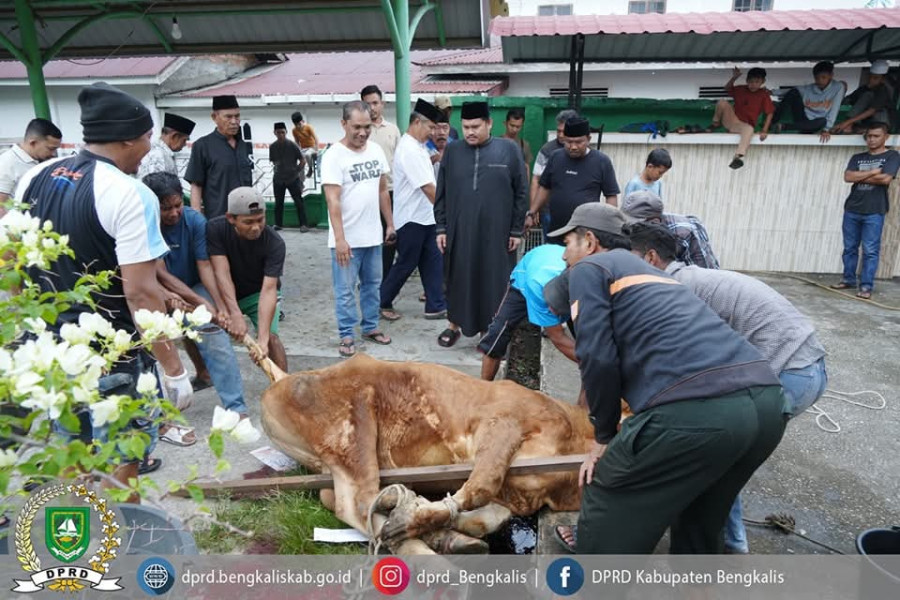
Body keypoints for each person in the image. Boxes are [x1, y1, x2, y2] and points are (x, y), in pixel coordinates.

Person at [552, 202, 785, 555]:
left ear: (589, 241)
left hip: (700, 410)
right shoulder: (657, 275)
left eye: (568, 243)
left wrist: (602, 436)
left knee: (606, 487)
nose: (565, 255)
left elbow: (596, 357)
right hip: (767, 404)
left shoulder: (591, 267)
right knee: (699, 517)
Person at [16, 82, 194, 480]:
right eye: (148, 137)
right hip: (113, 353)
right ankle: (123, 535)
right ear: (129, 139)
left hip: (51, 348)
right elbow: (140, 293)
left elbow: (13, 259)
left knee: (71, 447)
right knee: (123, 455)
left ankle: (75, 537)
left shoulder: (35, 176)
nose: (150, 146)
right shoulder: (129, 193)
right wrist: (174, 369)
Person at [629, 222, 827, 554]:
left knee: (719, 454)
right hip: (805, 364)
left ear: (650, 258)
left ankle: (728, 544)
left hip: (791, 369)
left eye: (627, 259)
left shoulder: (675, 287)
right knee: (726, 455)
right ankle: (728, 540)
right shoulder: (691, 278)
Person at [143, 172, 250, 424]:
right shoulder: (143, 223)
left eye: (178, 205)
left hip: (193, 282)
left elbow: (205, 267)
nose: (173, 213)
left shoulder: (194, 221)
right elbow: (157, 272)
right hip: (154, 288)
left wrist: (219, 307)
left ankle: (235, 405)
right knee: (151, 339)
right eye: (165, 208)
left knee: (212, 329)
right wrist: (193, 302)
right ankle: (155, 412)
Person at [433, 101, 528, 347]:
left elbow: (521, 191)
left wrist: (517, 229)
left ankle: (491, 331)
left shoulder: (508, 150)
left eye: (476, 126)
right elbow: (441, 191)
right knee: (457, 276)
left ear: (489, 123)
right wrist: (441, 227)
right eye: (465, 127)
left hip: (497, 233)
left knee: (495, 280)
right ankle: (453, 325)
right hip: (459, 231)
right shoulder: (453, 152)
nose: (470, 132)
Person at [321, 100, 395, 358]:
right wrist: (340, 240)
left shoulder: (375, 150)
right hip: (346, 240)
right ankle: (346, 334)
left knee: (373, 285)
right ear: (344, 124)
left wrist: (390, 224)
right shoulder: (333, 156)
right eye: (356, 127)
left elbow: (382, 189)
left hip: (372, 235)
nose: (362, 133)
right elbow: (333, 200)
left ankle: (370, 327)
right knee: (345, 290)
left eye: (367, 127)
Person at [379, 99, 447, 322]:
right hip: (411, 219)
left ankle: (435, 305)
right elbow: (428, 187)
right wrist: (447, 211)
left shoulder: (419, 147)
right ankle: (382, 300)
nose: (432, 132)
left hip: (425, 216)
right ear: (417, 122)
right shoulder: (409, 149)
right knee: (407, 263)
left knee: (433, 259)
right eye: (430, 127)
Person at [207, 187, 288, 371]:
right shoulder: (215, 229)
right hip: (225, 293)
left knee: (271, 339)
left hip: (258, 293)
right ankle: (205, 374)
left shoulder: (275, 243)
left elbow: (269, 290)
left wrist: (263, 340)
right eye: (248, 222)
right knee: (203, 329)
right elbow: (221, 272)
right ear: (231, 218)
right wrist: (234, 314)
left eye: (260, 220)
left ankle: (285, 386)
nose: (256, 227)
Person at [478, 244, 573, 381]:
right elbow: (558, 337)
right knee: (498, 333)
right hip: (523, 282)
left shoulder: (587, 284)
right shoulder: (537, 282)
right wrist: (589, 364)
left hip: (554, 270)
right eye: (553, 306)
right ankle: (484, 387)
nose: (552, 311)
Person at [830, 122, 900, 299]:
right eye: (869, 136)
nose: (872, 139)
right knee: (849, 248)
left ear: (886, 137)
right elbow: (848, 177)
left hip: (875, 210)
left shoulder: (892, 156)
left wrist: (861, 176)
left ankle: (866, 287)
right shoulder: (857, 157)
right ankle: (848, 280)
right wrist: (874, 172)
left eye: (876, 136)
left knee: (870, 250)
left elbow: (885, 179)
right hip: (852, 208)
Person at [526, 117, 619, 244]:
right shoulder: (555, 157)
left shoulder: (602, 161)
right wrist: (531, 213)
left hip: (585, 234)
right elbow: (544, 187)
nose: (573, 147)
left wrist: (610, 224)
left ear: (588, 139)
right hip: (556, 230)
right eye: (569, 142)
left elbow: (611, 195)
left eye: (578, 142)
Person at [185, 95, 253, 219]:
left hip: (246, 218)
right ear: (214, 117)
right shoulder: (203, 146)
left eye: (237, 116)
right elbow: (196, 185)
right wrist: (197, 217)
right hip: (218, 219)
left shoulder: (242, 145)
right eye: (228, 116)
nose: (234, 121)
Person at [361, 85, 402, 279]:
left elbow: (400, 162)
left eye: (375, 103)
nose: (372, 108)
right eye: (367, 104)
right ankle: (367, 278)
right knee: (367, 239)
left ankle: (384, 283)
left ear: (382, 104)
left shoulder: (393, 130)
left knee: (389, 240)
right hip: (366, 194)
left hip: (391, 192)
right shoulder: (359, 132)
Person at [621, 190, 720, 269]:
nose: (630, 228)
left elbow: (701, 273)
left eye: (634, 224)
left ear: (654, 222)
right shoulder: (631, 229)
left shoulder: (684, 232)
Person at [709, 67, 774, 169]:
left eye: (757, 82)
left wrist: (764, 130)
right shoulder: (741, 89)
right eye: (751, 81)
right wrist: (734, 77)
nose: (753, 84)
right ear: (747, 81)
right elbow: (727, 88)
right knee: (722, 102)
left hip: (744, 126)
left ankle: (737, 157)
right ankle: (715, 123)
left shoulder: (763, 94)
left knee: (749, 129)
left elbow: (769, 113)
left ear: (763, 82)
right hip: (732, 120)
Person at [531, 109, 579, 239]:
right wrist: (533, 209)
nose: (561, 135)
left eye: (564, 131)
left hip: (577, 214)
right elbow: (536, 179)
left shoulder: (582, 151)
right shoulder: (547, 150)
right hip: (549, 211)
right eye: (558, 131)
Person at [772, 61, 845, 142]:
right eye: (817, 78)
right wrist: (772, 92)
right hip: (803, 119)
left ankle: (784, 126)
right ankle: (772, 123)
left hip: (816, 124)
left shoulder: (838, 87)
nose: (820, 81)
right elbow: (792, 90)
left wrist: (826, 129)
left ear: (831, 75)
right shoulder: (810, 88)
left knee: (822, 121)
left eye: (823, 77)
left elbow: (835, 109)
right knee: (794, 92)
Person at [0, 118, 61, 213]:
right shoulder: (6, 163)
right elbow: (1, 206)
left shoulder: (44, 160)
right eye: (50, 149)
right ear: (33, 143)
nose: (53, 154)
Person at [832, 60, 896, 135]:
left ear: (882, 79)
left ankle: (850, 125)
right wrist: (841, 91)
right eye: (870, 77)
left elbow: (872, 110)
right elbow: (848, 100)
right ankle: (852, 127)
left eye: (875, 78)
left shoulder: (883, 90)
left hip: (882, 123)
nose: (871, 80)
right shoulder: (864, 89)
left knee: (867, 95)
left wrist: (848, 122)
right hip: (866, 123)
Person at [269, 121, 308, 232]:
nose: (281, 134)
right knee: (278, 203)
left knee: (299, 202)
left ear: (286, 132)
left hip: (292, 179)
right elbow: (274, 161)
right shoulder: (272, 147)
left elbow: (303, 160)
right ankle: (278, 224)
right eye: (278, 132)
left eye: (282, 132)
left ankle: (303, 225)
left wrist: (296, 171)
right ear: (274, 133)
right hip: (278, 179)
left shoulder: (293, 145)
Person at [137, 112, 196, 178]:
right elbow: (155, 185)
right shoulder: (157, 155)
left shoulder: (162, 153)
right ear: (175, 136)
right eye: (184, 140)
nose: (185, 144)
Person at [502, 108, 533, 179]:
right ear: (505, 123)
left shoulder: (524, 145)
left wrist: (526, 188)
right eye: (512, 125)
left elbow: (526, 168)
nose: (514, 129)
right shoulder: (496, 143)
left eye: (518, 127)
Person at [292, 111, 319, 177]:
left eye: (299, 124)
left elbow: (316, 139)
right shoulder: (294, 130)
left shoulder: (308, 127)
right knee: (301, 162)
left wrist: (316, 149)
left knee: (307, 155)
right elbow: (296, 142)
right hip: (303, 149)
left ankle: (310, 169)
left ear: (302, 121)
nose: (298, 126)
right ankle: (301, 181)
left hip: (311, 148)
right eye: (296, 125)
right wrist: (298, 151)